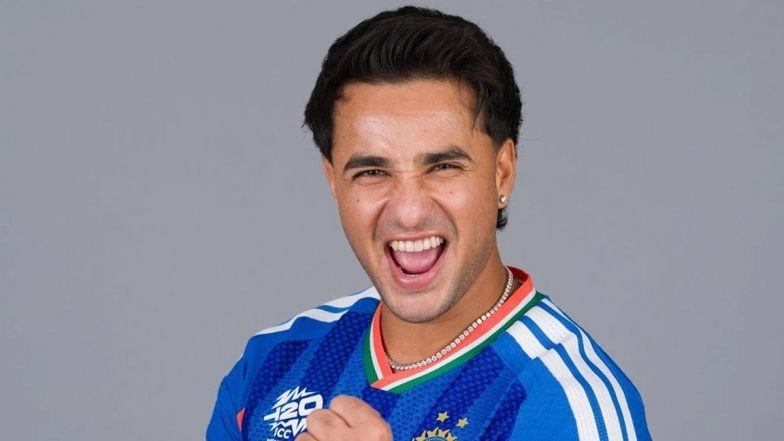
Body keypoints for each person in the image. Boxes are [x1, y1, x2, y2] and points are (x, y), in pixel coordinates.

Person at [207, 6, 651, 441]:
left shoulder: (572, 411)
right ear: (333, 181)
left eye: (443, 167)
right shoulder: (271, 366)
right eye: (372, 172)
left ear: (502, 173)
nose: (409, 211)